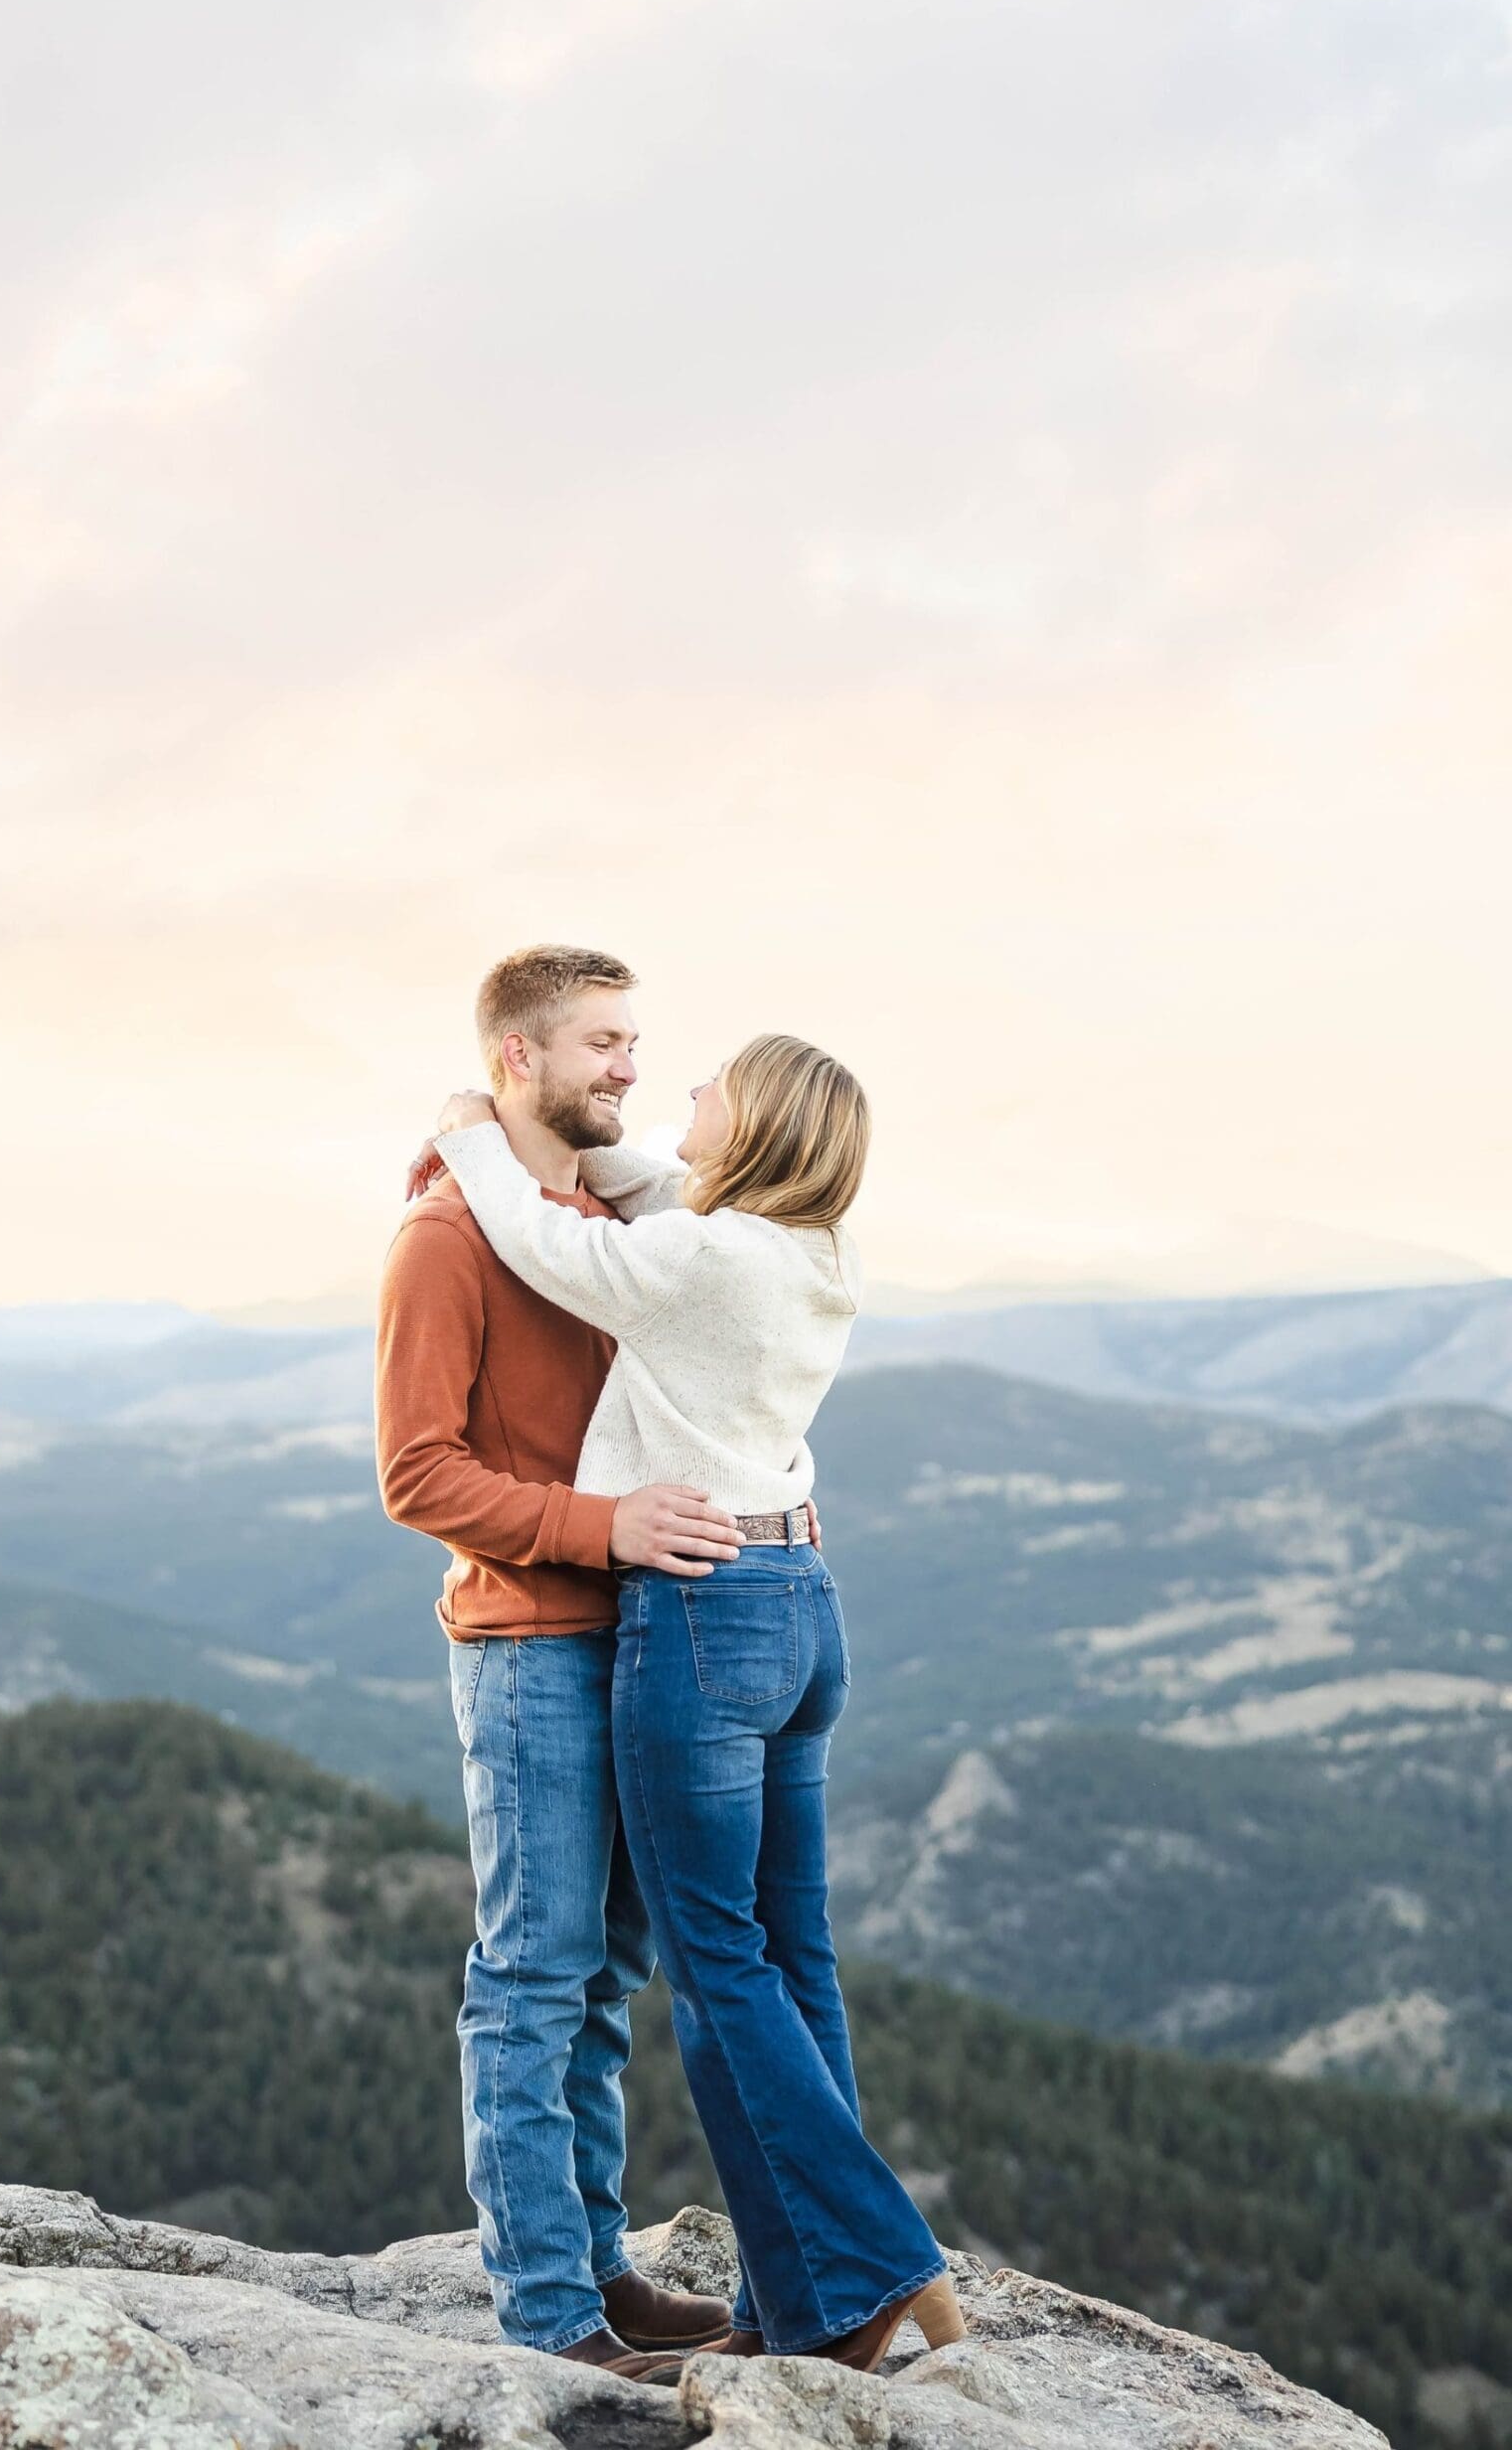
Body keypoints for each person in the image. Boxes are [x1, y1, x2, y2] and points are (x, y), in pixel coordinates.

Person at [422, 1034, 966, 2370]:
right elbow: (667, 1188)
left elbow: (548, 1246)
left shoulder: (709, 1262)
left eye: (711, 1087)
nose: (684, 1100)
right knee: (796, 1959)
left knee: (718, 1966)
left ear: (762, 1122)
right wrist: (563, 1133)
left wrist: (474, 1132)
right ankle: (821, 2293)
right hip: (798, 1600)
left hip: (705, 1618)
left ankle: (875, 2270)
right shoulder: (810, 1249)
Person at [375, 945, 738, 2381]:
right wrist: (607, 1525)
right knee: (531, 1976)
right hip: (529, 1649)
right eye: (600, 1043)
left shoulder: (598, 1217)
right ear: (517, 1060)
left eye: (636, 1041)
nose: (628, 1066)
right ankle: (546, 2313)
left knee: (607, 1978)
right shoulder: (447, 1239)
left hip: (646, 1643)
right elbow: (417, 1474)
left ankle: (596, 2263)